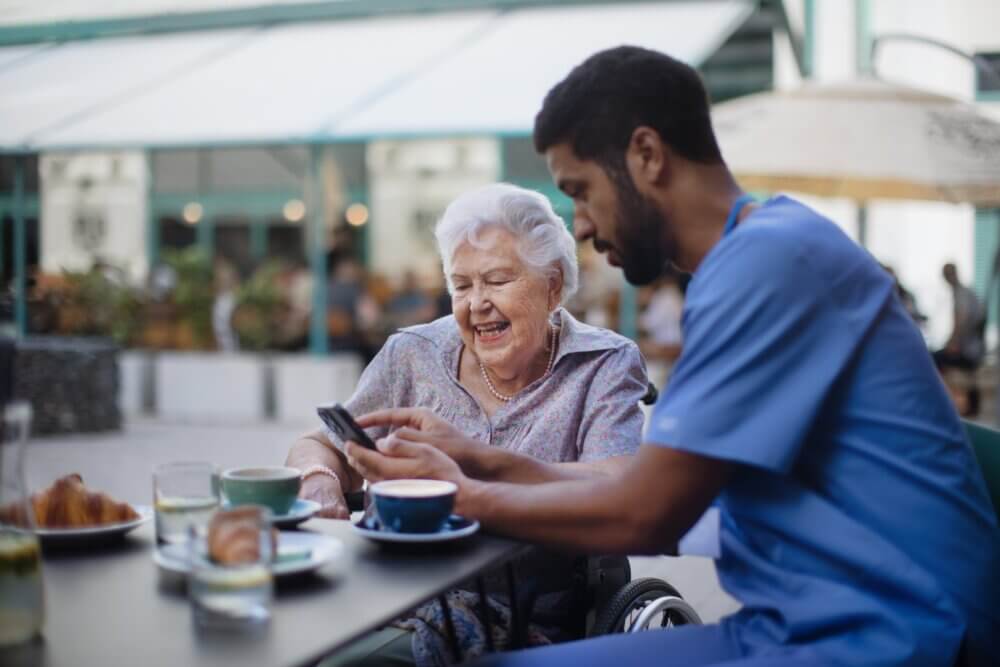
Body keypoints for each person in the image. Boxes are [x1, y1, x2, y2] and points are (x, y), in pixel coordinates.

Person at [343, 46, 1000, 667]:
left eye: (582, 190)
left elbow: (646, 512)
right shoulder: (757, 253)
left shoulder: (768, 266)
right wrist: (484, 458)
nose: (581, 226)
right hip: (803, 622)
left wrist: (462, 494)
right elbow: (645, 484)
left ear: (647, 155)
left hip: (902, 636)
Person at [286, 183, 649, 666]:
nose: (476, 302)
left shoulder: (603, 365)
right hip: (385, 595)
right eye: (462, 285)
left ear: (553, 286)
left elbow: (618, 485)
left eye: (497, 280)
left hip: (518, 616)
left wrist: (476, 465)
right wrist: (321, 482)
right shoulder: (413, 353)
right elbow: (321, 443)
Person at [933, 263, 986, 416]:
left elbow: (962, 321)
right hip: (972, 347)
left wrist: (953, 343)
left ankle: (940, 401)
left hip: (969, 350)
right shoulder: (965, 292)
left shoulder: (962, 294)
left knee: (934, 359)